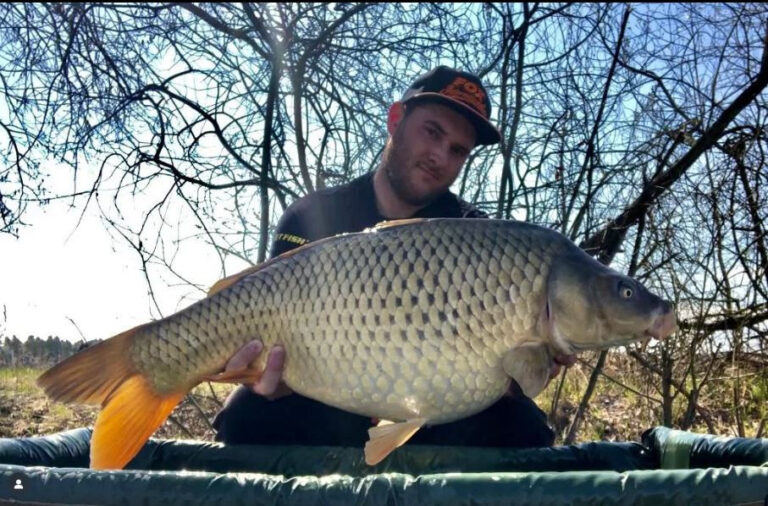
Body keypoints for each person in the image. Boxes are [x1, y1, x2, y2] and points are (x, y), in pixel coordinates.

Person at [212, 66, 575, 449]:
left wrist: (520, 378)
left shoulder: (479, 238)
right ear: (395, 120)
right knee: (247, 415)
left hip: (436, 415)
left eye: (457, 150)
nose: (439, 155)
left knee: (523, 428)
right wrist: (268, 379)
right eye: (432, 132)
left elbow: (496, 375)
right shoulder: (312, 216)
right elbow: (268, 344)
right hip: (324, 401)